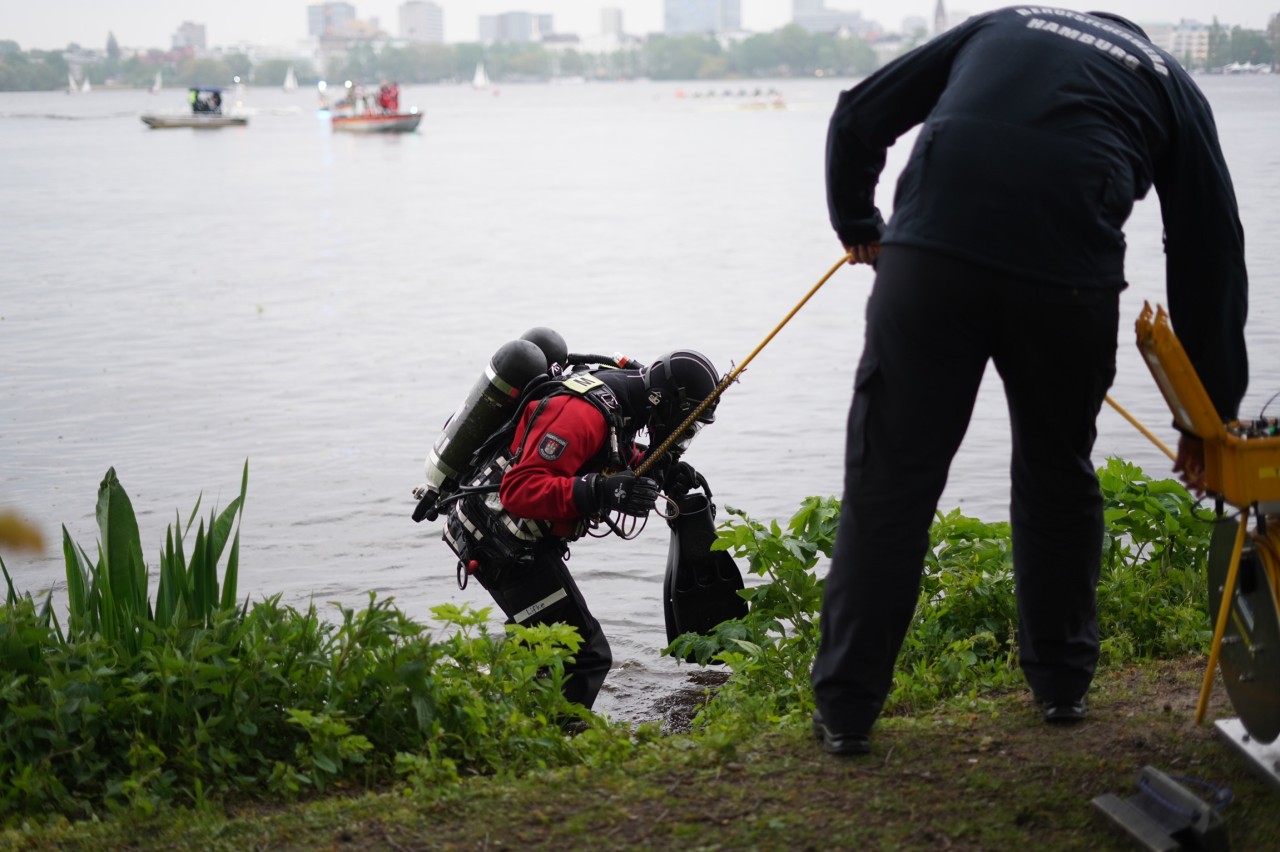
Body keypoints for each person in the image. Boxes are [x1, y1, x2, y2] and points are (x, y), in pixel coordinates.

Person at [810, 7, 1249, 756]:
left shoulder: (1004, 24)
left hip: (932, 259)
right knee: (1056, 474)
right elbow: (1208, 249)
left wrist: (859, 223)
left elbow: (859, 114)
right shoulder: (1172, 83)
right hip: (1068, 282)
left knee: (892, 482)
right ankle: (1062, 687)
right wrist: (1207, 420)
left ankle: (847, 711)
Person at [442, 350, 721, 710]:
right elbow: (519, 490)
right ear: (663, 402)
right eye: (685, 424)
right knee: (583, 655)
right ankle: (547, 747)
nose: (683, 435)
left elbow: (601, 451)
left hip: (515, 536)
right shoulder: (581, 413)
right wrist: (601, 491)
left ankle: (494, 716)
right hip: (496, 539)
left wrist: (657, 470)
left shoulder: (622, 398)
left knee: (548, 649)